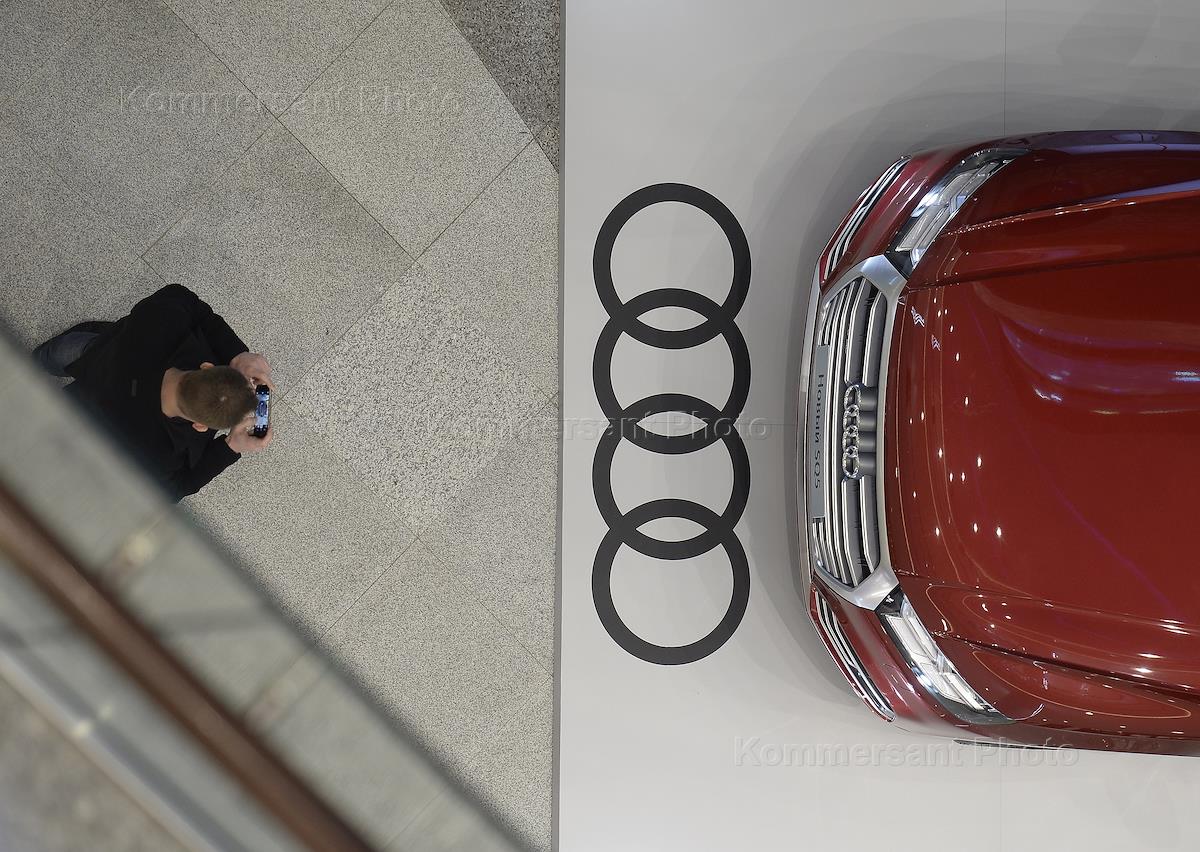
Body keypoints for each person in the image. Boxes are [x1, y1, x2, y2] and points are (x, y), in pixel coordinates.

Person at [31, 284, 274, 501]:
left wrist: (238, 355)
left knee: (63, 353)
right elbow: (172, 490)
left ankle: (36, 361)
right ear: (200, 425)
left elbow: (182, 297)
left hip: (100, 355)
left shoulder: (163, 323)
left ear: (207, 367)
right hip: (87, 411)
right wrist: (230, 446)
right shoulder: (161, 454)